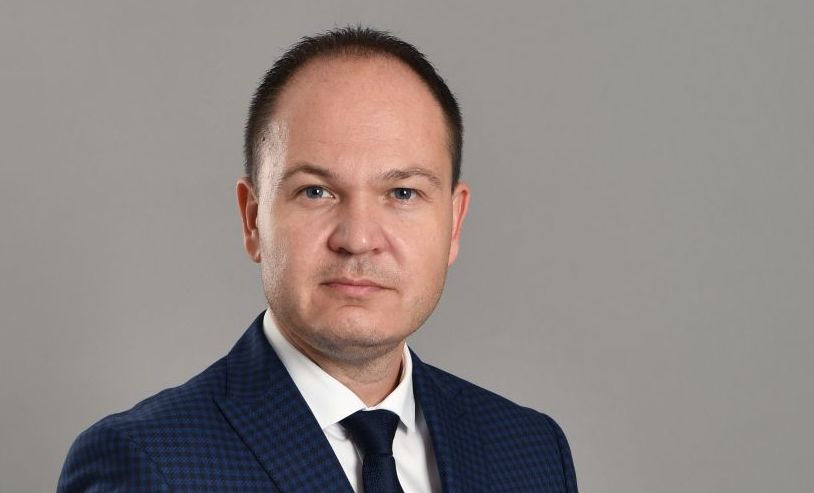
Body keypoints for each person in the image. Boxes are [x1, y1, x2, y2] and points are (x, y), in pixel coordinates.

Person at [58, 26, 578, 493]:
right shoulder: (150, 465)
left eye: (402, 193)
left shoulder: (531, 453)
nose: (358, 239)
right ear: (253, 219)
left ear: (454, 223)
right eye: (316, 192)